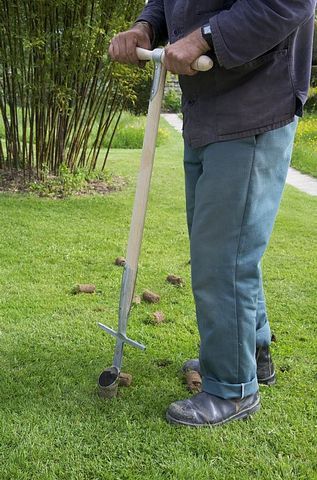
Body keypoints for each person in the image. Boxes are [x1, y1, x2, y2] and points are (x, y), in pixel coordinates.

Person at [109, 0, 316, 427]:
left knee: (223, 257)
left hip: (254, 106)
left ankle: (233, 388)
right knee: (225, 247)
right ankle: (253, 354)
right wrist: (146, 26)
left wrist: (205, 37)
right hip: (207, 111)